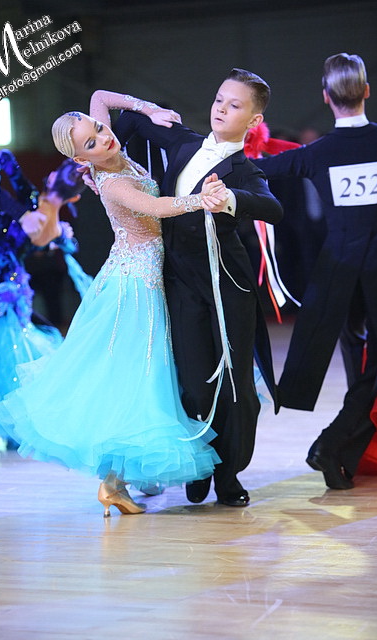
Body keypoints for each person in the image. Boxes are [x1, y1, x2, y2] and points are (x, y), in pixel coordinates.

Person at [0, 98, 226, 517]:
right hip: (134, 285)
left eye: (99, 129)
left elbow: (99, 97)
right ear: (81, 159)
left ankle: (121, 479)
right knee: (137, 377)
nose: (104, 137)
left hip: (137, 274)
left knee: (137, 376)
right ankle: (113, 482)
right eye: (91, 142)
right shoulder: (112, 182)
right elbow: (157, 208)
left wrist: (149, 111)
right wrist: (200, 200)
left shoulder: (109, 149)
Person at [102, 69, 283, 508]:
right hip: (179, 282)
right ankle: (199, 464)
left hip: (228, 284)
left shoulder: (244, 170)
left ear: (254, 120)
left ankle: (228, 474)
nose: (221, 108)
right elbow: (120, 119)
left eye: (234, 105)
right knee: (195, 384)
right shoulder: (183, 142)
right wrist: (147, 110)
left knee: (235, 385)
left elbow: (272, 207)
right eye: (220, 99)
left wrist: (230, 200)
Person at [251, 53, 377, 489]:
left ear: (326, 97)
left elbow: (257, 168)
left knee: (360, 365)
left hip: (338, 278)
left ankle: (341, 453)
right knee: (373, 373)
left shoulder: (317, 154)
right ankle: (333, 444)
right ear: (366, 91)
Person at [0, 146, 85, 442]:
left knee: (8, 354)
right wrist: (27, 212)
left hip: (1, 285)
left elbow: (22, 217)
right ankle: (17, 426)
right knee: (5, 354)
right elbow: (18, 210)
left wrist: (50, 233)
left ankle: (16, 426)